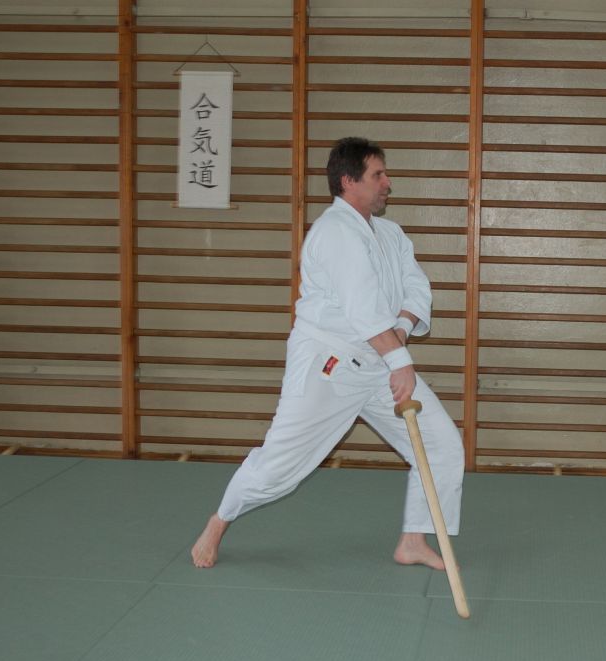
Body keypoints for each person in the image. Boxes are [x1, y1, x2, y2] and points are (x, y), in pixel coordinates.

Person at [191, 136, 465, 570]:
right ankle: (219, 521)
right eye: (378, 175)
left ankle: (413, 540)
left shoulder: (390, 234)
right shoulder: (335, 231)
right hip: (329, 364)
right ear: (348, 181)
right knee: (280, 467)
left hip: (378, 361)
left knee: (443, 446)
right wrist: (400, 360)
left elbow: (417, 287)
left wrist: (401, 331)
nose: (388, 183)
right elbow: (361, 307)